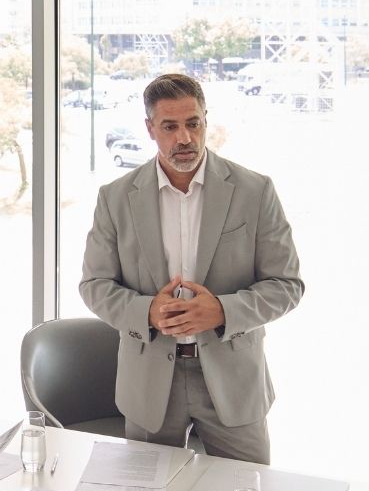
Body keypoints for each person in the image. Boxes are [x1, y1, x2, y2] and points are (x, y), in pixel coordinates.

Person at [80, 73, 304, 464]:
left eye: (193, 123)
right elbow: (95, 284)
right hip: (149, 383)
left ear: (205, 120)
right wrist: (146, 312)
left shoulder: (255, 191)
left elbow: (287, 285)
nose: (184, 138)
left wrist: (223, 310)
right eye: (170, 126)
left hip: (233, 382)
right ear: (150, 129)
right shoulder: (115, 198)